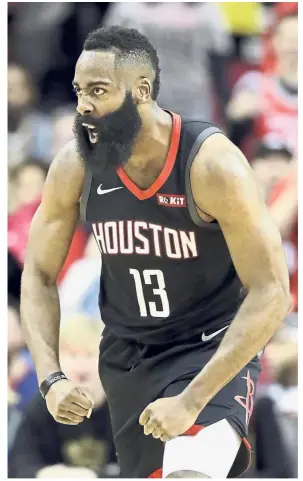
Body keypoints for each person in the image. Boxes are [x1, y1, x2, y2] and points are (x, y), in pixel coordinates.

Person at [20, 26, 290, 479]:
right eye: (79, 91)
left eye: (98, 90)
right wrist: (51, 379)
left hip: (209, 348)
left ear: (141, 91)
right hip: (127, 356)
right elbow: (39, 275)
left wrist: (192, 399)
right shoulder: (74, 165)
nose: (83, 105)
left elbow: (272, 291)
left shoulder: (211, 164)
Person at [9, 315, 118, 478]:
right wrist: (44, 473)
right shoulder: (42, 406)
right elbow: (20, 462)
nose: (80, 365)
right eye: (72, 355)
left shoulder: (125, 407)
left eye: (89, 355)